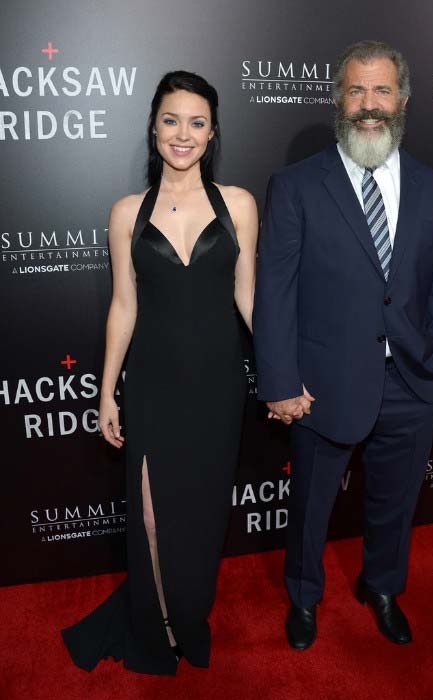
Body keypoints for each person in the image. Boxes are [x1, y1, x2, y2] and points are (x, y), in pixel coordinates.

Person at [253, 40, 433, 650]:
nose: (370, 105)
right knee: (311, 505)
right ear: (337, 100)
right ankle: (304, 597)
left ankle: (383, 587)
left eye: (383, 90)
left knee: (395, 505)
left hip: (411, 382)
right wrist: (282, 381)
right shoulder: (294, 186)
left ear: (403, 99)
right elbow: (275, 293)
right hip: (322, 382)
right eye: (356, 90)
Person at [62, 70, 258, 675]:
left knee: (201, 517)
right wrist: (106, 390)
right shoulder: (126, 212)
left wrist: (282, 372)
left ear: (212, 132)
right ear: (153, 128)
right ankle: (155, 624)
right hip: (151, 384)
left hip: (218, 386)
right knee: (149, 510)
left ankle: (187, 617)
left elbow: (249, 299)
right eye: (171, 120)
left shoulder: (240, 204)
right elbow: (124, 305)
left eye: (196, 123)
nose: (183, 134)